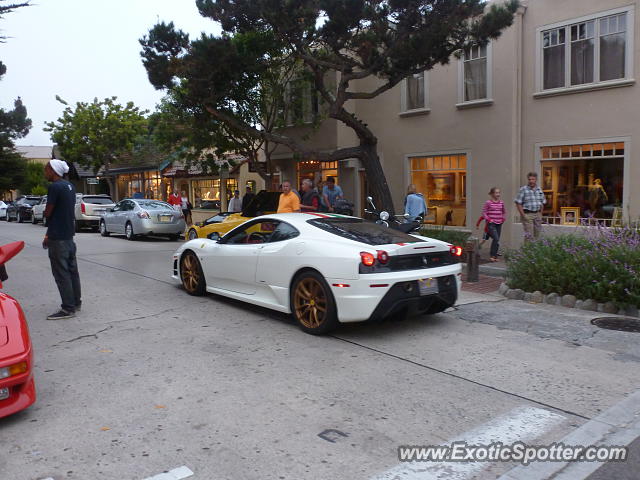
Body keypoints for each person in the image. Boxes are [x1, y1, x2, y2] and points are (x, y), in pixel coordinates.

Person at [42, 159, 82, 320]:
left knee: (61, 273)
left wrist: (46, 215)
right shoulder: (70, 186)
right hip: (68, 235)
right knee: (72, 271)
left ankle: (67, 308)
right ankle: (76, 302)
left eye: (46, 170)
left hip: (58, 237)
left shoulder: (54, 187)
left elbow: (49, 212)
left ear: (53, 170)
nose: (45, 173)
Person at [515, 172, 546, 241]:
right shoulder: (523, 189)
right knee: (529, 236)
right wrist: (523, 215)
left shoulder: (539, 189)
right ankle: (527, 251)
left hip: (537, 214)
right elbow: (518, 203)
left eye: (533, 179)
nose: (531, 181)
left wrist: (540, 214)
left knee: (537, 235)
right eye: (529, 179)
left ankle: (534, 251)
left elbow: (542, 202)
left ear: (536, 180)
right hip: (528, 214)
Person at [481, 187, 506, 262]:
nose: (498, 194)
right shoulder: (488, 203)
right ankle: (492, 255)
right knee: (496, 238)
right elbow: (484, 212)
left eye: (499, 193)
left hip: (499, 223)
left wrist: (503, 218)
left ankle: (495, 256)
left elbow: (504, 212)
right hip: (491, 224)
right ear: (492, 194)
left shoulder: (501, 202)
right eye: (496, 193)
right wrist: (489, 219)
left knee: (497, 240)